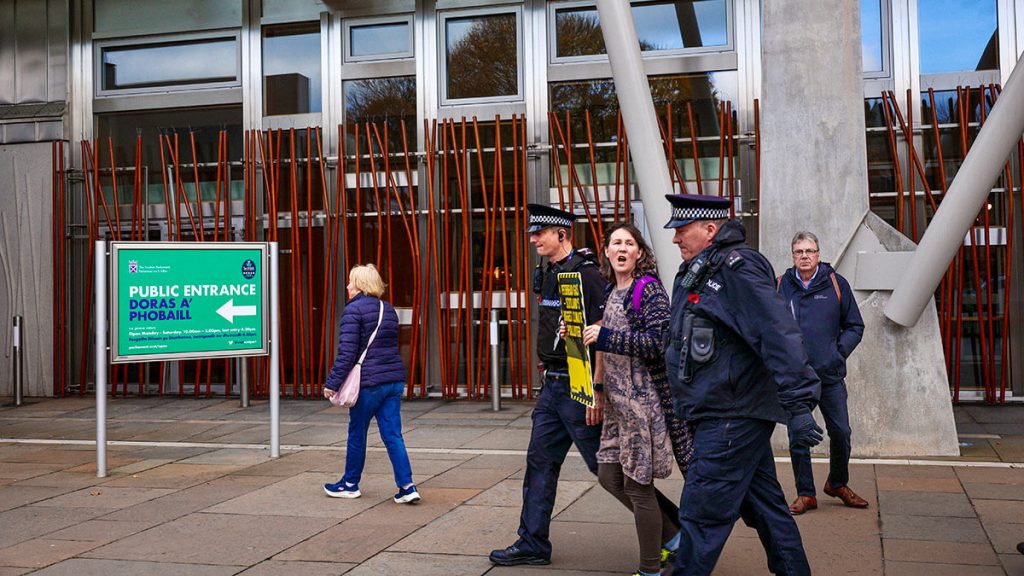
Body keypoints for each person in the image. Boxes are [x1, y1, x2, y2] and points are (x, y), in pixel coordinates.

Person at [489, 205, 681, 567]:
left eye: (539, 233)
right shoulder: (549, 273)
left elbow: (603, 336)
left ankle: (675, 532)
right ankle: (532, 542)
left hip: (581, 390)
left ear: (561, 234)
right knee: (540, 463)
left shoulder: (588, 275)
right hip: (553, 384)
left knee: (615, 474)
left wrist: (597, 391)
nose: (532, 239)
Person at [661, 193, 823, 576]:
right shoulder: (699, 269)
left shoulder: (736, 268)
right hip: (722, 412)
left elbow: (778, 332)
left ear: (710, 229)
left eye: (682, 230)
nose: (675, 238)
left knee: (701, 516)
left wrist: (799, 405)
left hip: (730, 417)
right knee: (767, 510)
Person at [580, 222, 694, 576]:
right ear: (607, 253)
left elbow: (660, 343)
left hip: (643, 405)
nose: (622, 248)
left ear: (639, 252)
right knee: (608, 477)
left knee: (637, 486)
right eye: (616, 243)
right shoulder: (612, 292)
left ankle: (650, 570)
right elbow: (605, 341)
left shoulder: (649, 290)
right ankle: (674, 539)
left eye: (629, 243)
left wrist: (607, 336)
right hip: (617, 408)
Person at [779, 231, 867, 515]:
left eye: (809, 251)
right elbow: (769, 326)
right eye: (798, 252)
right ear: (792, 256)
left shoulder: (835, 284)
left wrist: (837, 353)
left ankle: (837, 483)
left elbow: (855, 326)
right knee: (798, 437)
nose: (804, 256)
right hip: (796, 379)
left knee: (841, 432)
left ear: (818, 254)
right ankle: (806, 494)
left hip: (829, 376)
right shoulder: (781, 286)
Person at [322, 264, 420, 505]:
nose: (347, 286)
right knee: (393, 435)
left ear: (361, 285)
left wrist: (332, 383)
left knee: (357, 433)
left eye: (351, 282)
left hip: (369, 383)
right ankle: (407, 486)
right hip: (392, 380)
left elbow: (347, 353)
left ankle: (350, 484)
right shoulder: (387, 309)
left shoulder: (354, 311)